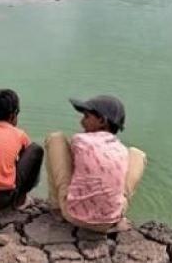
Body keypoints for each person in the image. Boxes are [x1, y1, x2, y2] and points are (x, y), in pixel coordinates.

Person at [45, 95, 146, 232]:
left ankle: (56, 207)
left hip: (73, 215)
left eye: (86, 117)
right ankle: (118, 215)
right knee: (138, 155)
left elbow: (72, 166)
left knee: (56, 139)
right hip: (110, 221)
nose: (82, 122)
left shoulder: (80, 140)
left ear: (102, 121)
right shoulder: (121, 150)